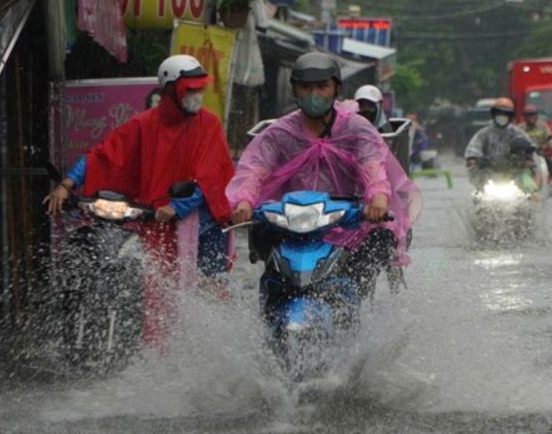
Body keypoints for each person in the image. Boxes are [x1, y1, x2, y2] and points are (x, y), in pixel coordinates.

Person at [43, 54, 236, 342]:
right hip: (155, 219)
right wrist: (66, 183)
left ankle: (214, 344)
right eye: (190, 89)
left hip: (201, 224)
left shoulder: (209, 124)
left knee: (209, 287)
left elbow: (212, 176)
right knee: (151, 285)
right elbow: (104, 155)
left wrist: (177, 206)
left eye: (200, 89)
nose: (197, 95)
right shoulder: (144, 124)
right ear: (170, 89)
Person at [227, 52, 422, 296]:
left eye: (322, 87)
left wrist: (379, 198)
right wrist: (244, 201)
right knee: (267, 254)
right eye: (306, 87)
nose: (314, 94)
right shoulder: (281, 132)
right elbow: (255, 170)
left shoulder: (356, 128)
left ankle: (359, 314)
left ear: (336, 89)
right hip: (294, 221)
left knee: (376, 246)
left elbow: (373, 165)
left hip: (347, 220)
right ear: (295, 90)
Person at [464, 97, 535, 188]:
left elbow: (529, 146)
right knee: (478, 193)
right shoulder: (484, 133)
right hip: (489, 173)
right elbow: (473, 147)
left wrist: (528, 159)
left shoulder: (518, 133)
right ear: (493, 114)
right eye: (499, 113)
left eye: (505, 114)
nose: (502, 116)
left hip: (513, 172)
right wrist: (472, 159)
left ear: (510, 116)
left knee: (529, 189)